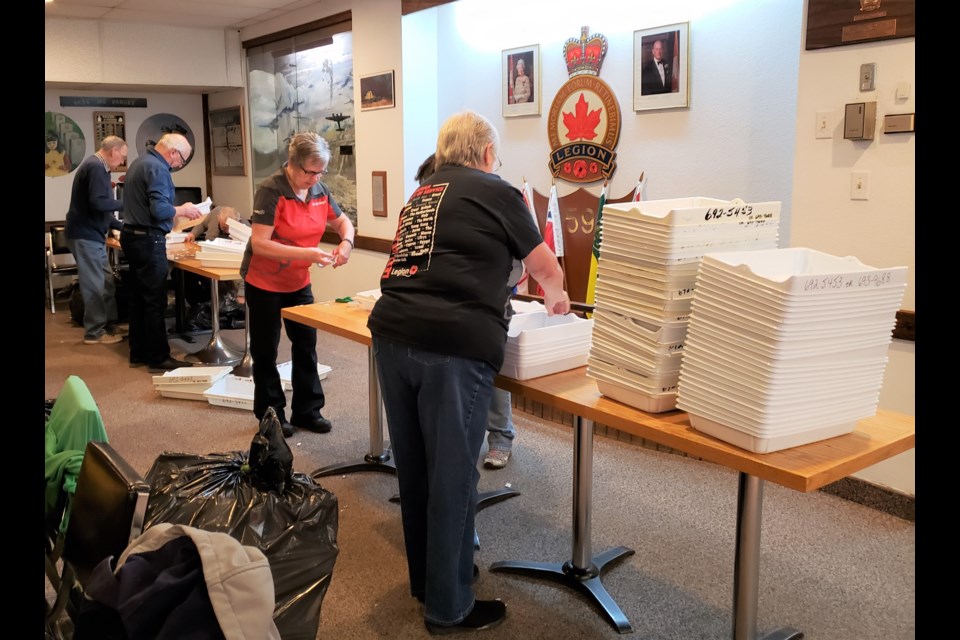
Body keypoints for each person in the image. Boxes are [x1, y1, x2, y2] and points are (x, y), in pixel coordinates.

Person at [368, 110, 570, 634]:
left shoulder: (421, 195)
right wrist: (559, 300)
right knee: (454, 476)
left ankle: (427, 581)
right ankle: (449, 607)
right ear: (485, 155)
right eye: (495, 157)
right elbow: (546, 268)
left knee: (415, 470)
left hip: (391, 336)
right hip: (452, 346)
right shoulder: (496, 190)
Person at [240, 131, 355, 439]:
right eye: (309, 172)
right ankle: (271, 416)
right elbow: (261, 244)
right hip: (264, 282)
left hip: (298, 281)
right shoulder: (271, 190)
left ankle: (307, 411)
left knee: (306, 346)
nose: (315, 178)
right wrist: (308, 253)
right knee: (266, 351)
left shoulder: (318, 189)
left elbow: (343, 221)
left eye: (321, 172)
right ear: (292, 164)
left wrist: (346, 242)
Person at [414, 153, 517, 471]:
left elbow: (517, 264)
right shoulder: (428, 211)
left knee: (491, 375)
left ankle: (500, 436)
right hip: (444, 312)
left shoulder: (491, 203)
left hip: (489, 311)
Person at [121, 133, 203, 372]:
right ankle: (158, 358)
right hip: (148, 239)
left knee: (138, 298)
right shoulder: (158, 169)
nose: (180, 165)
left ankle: (139, 353)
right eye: (183, 159)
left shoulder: (140, 162)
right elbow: (159, 210)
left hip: (131, 236)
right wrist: (183, 209)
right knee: (154, 300)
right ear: (173, 152)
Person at [64, 135, 129, 345]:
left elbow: (99, 207)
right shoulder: (95, 167)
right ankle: (94, 333)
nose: (122, 162)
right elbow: (99, 203)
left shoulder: (98, 166)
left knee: (107, 282)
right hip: (85, 236)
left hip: (90, 234)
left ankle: (108, 324)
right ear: (113, 151)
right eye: (122, 157)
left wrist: (121, 226)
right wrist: (129, 204)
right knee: (94, 285)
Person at [184, 206, 248, 322]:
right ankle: (203, 306)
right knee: (188, 273)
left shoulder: (244, 230)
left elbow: (248, 264)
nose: (226, 231)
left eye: (229, 228)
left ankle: (215, 309)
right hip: (210, 258)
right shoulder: (215, 213)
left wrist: (242, 292)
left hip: (229, 265)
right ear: (218, 218)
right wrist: (193, 234)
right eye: (223, 227)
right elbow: (203, 224)